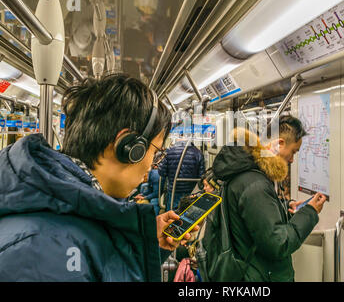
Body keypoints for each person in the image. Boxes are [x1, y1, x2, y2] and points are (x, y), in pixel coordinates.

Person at [0, 74, 198, 281]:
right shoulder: (41, 252)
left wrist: (149, 244)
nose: (153, 164)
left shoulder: (75, 219)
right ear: (128, 146)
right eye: (155, 151)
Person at [206, 115, 327, 282]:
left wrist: (286, 206)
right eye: (293, 152)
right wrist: (310, 212)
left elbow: (257, 216)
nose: (292, 159)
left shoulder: (247, 174)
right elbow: (278, 243)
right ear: (280, 144)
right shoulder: (255, 184)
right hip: (257, 276)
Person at [158, 140, 205, 211]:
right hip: (190, 191)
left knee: (172, 214)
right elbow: (201, 175)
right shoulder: (198, 152)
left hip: (173, 190)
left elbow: (162, 172)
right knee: (187, 212)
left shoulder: (169, 151)